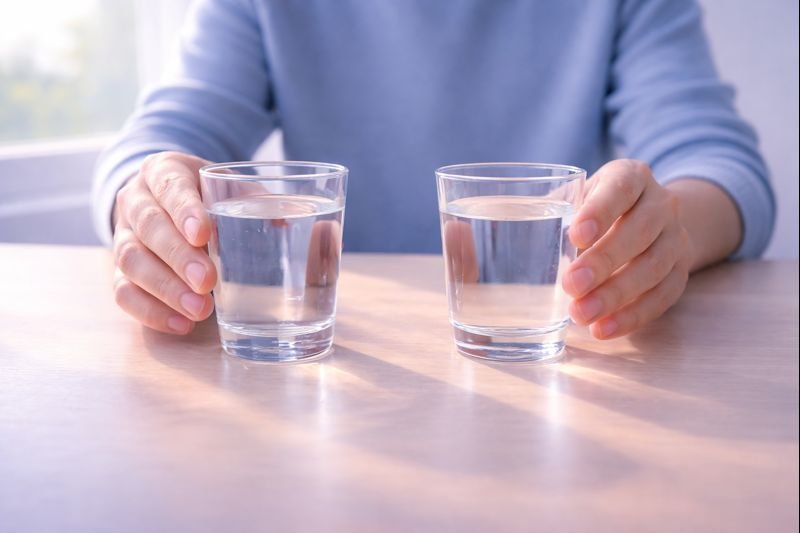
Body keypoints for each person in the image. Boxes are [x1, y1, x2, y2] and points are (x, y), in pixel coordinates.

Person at [93, 0, 774, 339]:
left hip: (555, 368)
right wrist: (146, 198)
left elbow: (720, 163)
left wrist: (668, 233)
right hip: (342, 366)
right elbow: (159, 140)